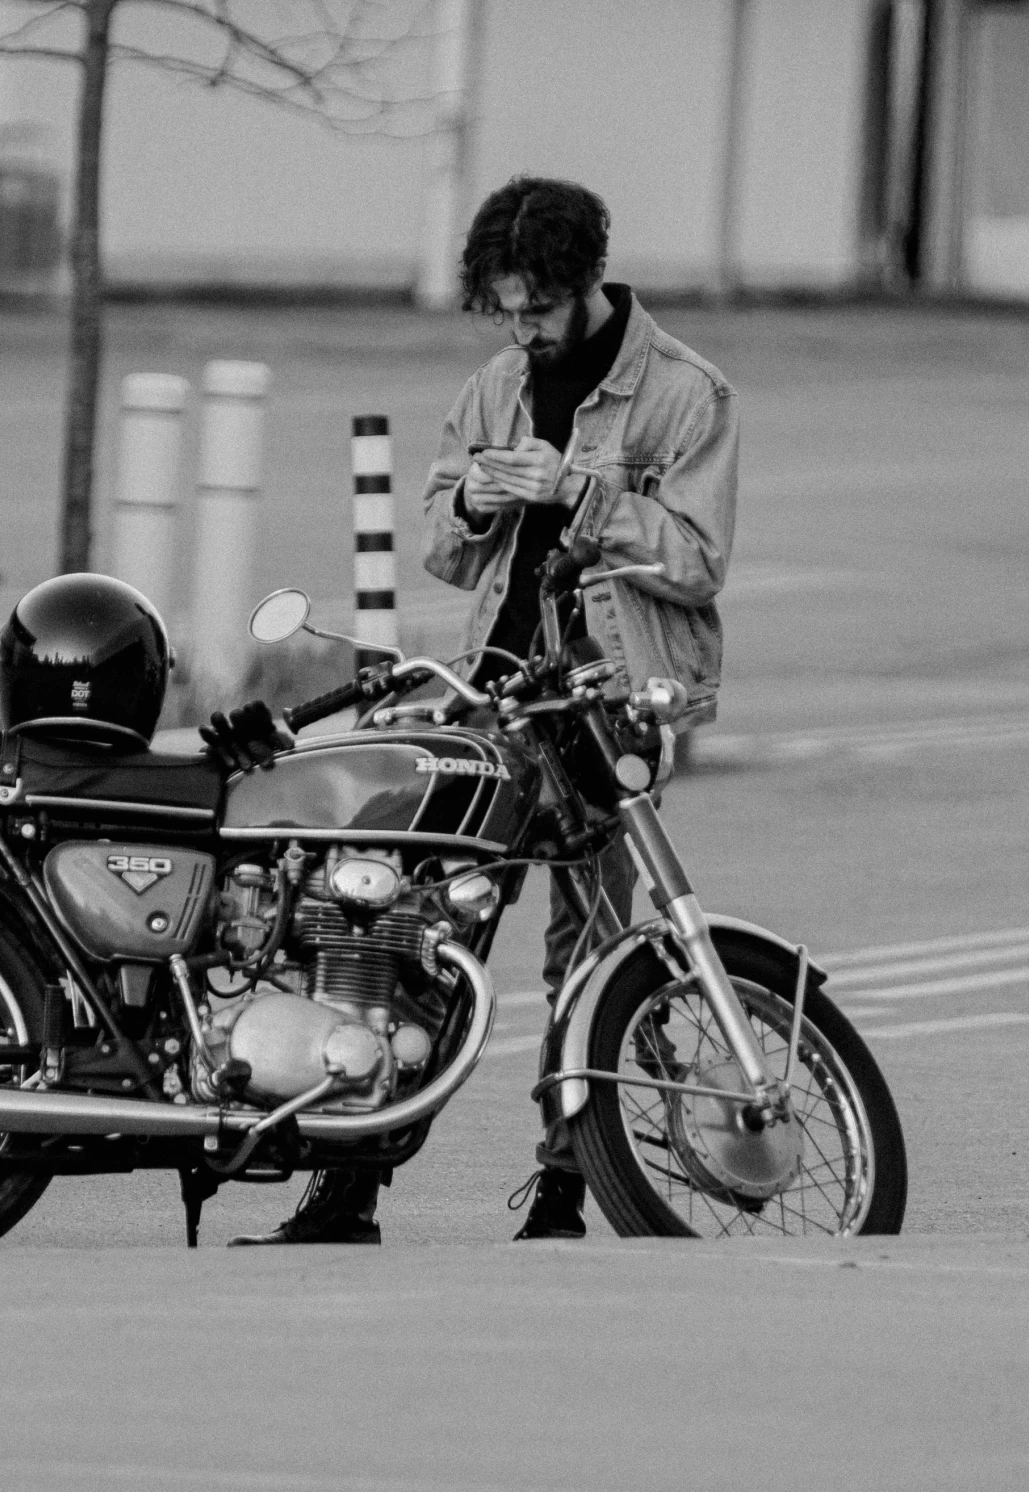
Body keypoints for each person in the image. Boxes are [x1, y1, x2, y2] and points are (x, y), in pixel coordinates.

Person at [229, 175, 738, 1247]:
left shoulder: (688, 394)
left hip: (602, 704)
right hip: (494, 695)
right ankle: (349, 1185)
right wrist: (476, 498)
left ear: (587, 282)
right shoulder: (496, 384)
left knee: (588, 956)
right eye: (503, 310)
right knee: (411, 934)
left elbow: (697, 562)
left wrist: (576, 494)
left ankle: (564, 1188)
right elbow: (443, 546)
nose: (522, 331)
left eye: (538, 310)